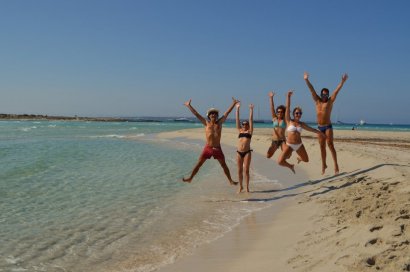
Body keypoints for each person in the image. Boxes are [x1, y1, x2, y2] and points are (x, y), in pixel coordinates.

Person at [182, 97, 239, 185]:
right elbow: (196, 114)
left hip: (217, 148)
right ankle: (190, 178)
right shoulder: (206, 123)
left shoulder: (219, 123)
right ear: (209, 116)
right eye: (211, 114)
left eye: (215, 114)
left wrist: (233, 104)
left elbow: (226, 113)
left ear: (217, 116)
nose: (213, 115)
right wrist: (189, 105)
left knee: (224, 165)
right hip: (208, 148)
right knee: (199, 164)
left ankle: (230, 181)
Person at [304, 72, 348, 175]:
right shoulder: (317, 101)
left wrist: (342, 82)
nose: (325, 95)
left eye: (326, 94)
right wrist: (306, 80)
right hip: (319, 127)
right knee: (322, 146)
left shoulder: (330, 101)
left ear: (328, 95)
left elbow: (336, 91)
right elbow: (312, 89)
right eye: (323, 94)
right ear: (321, 94)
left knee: (330, 144)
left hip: (328, 127)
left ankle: (336, 164)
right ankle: (324, 164)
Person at [277, 91, 325, 173]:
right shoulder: (289, 121)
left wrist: (320, 133)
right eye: (297, 113)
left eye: (300, 113)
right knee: (280, 161)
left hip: (299, 145)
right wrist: (288, 97)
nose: (298, 114)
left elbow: (311, 129)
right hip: (290, 145)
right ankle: (290, 166)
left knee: (306, 160)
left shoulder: (301, 124)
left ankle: (299, 158)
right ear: (293, 114)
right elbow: (287, 108)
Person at [235, 102, 254, 193]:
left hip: (247, 152)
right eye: (243, 124)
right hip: (239, 152)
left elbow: (250, 119)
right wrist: (237, 109)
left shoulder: (250, 131)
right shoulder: (239, 130)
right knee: (239, 171)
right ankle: (240, 187)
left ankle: (247, 187)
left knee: (246, 170)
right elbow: (237, 119)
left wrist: (251, 110)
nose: (245, 125)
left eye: (246, 124)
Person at [266, 91, 287, 159]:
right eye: (278, 111)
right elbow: (272, 108)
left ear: (284, 113)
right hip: (274, 140)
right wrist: (271, 98)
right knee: (268, 156)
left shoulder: (285, 119)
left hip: (282, 140)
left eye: (281, 112)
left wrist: (288, 97)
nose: (279, 113)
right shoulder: (274, 119)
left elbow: (288, 107)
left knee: (287, 156)